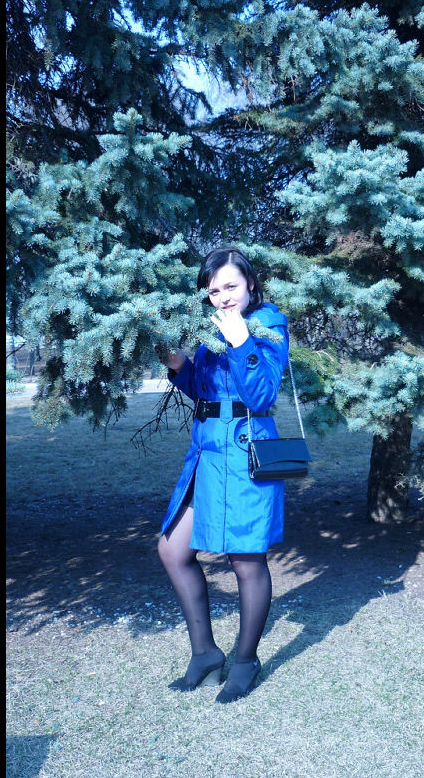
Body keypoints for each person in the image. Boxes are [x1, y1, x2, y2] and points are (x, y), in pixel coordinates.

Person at [157, 247, 290, 703]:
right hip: (207, 451)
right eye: (213, 291)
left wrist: (241, 341)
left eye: (230, 286)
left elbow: (260, 396)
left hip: (247, 451)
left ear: (250, 283)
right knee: (172, 549)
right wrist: (180, 367)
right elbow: (206, 391)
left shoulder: (268, 324)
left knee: (246, 560)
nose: (223, 297)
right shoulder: (212, 325)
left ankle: (246, 660)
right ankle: (205, 654)